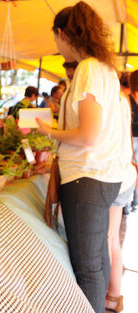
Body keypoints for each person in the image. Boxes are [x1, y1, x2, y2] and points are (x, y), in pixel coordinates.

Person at [36, 2, 126, 312]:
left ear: (61, 34)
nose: (58, 47)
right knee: (97, 258)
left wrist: (50, 132)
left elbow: (88, 135)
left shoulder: (87, 68)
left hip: (88, 177)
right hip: (104, 177)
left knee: (87, 268)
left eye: (56, 39)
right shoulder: (105, 69)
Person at [104, 74, 136, 313]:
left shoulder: (118, 101)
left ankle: (112, 296)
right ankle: (115, 296)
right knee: (113, 239)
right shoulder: (124, 101)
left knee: (109, 239)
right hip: (127, 175)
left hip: (117, 176)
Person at [128, 70, 138, 213]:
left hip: (130, 138)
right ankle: (133, 202)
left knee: (130, 169)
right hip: (131, 138)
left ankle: (130, 204)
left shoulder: (127, 99)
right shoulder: (127, 99)